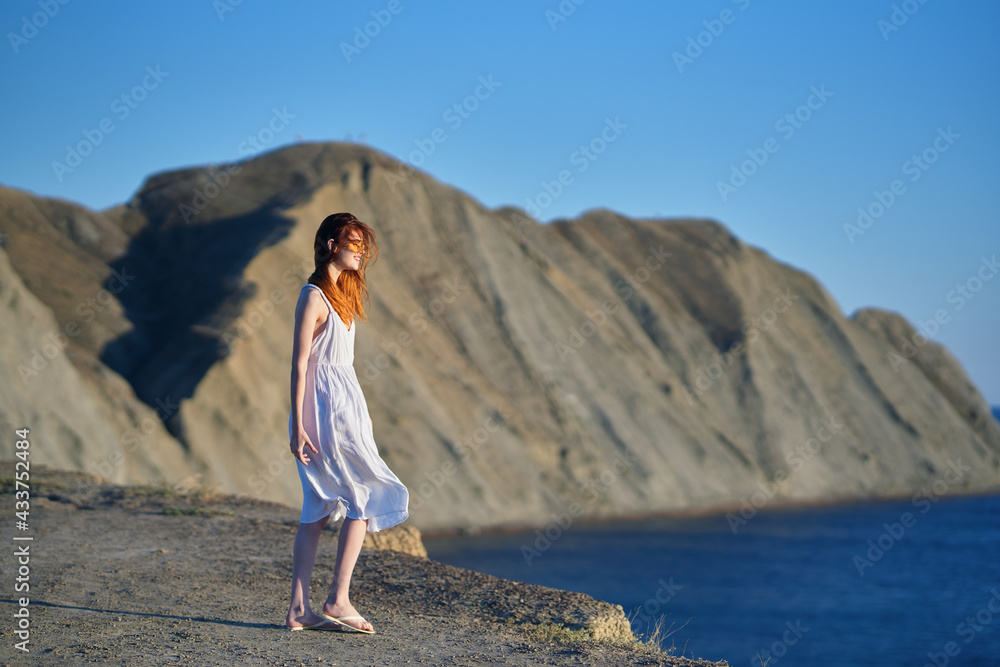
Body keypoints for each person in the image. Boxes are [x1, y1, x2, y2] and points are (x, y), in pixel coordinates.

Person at [285, 213, 409, 634]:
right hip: (323, 408)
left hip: (344, 402)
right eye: (352, 242)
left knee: (321, 508)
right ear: (329, 244)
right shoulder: (314, 296)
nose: (360, 250)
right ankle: (337, 599)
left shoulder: (344, 294)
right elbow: (300, 362)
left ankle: (301, 610)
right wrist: (296, 424)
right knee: (358, 497)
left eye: (362, 244)